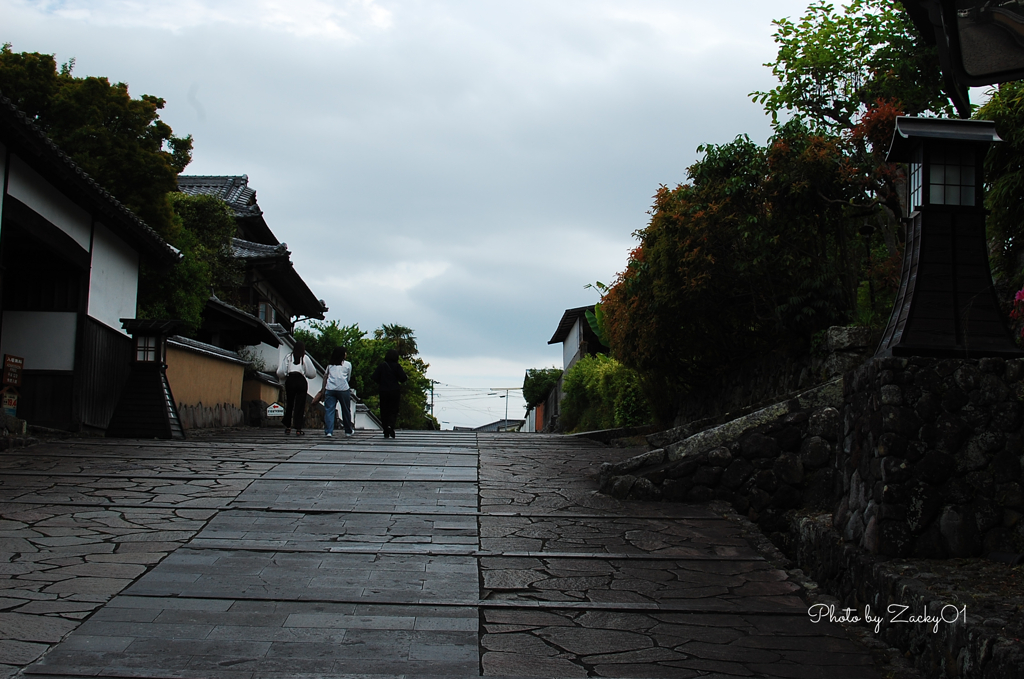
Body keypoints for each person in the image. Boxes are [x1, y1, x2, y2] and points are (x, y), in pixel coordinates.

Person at [277, 340, 317, 435]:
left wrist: (285, 376)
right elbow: (312, 373)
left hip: (290, 380)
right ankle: (298, 428)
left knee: (290, 403)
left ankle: (288, 426)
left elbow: (280, 372)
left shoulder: (288, 357)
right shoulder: (305, 358)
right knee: (300, 405)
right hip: (301, 381)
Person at [371, 348, 407, 438]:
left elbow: (374, 377)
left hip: (383, 390)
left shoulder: (382, 366)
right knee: (393, 410)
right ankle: (391, 425)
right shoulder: (397, 366)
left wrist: (382, 381)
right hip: (394, 390)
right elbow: (403, 378)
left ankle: (385, 429)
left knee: (384, 410)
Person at [321, 346, 354, 438]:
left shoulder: (330, 366)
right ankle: (348, 430)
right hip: (343, 389)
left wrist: (323, 390)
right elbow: (348, 377)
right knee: (346, 410)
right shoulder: (347, 364)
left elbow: (325, 377)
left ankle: (329, 431)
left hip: (330, 388)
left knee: (329, 410)